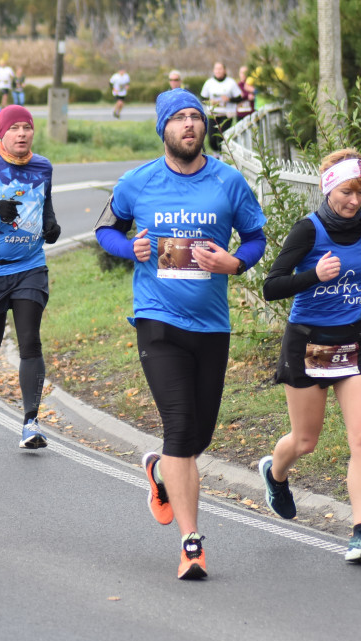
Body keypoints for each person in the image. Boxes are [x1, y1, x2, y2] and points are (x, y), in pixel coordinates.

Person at [94, 89, 267, 580]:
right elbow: (106, 229)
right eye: (179, 118)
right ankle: (192, 545)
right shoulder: (138, 182)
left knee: (198, 437)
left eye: (196, 117)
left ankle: (160, 472)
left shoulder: (229, 183)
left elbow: (255, 238)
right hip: (158, 320)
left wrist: (235, 262)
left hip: (211, 323)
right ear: (163, 129)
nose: (189, 124)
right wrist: (132, 249)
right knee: (179, 426)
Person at [260, 148, 361, 565]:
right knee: (305, 441)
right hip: (310, 344)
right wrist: (313, 276)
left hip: (356, 342)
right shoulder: (308, 230)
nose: (354, 202)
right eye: (346, 192)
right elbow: (272, 286)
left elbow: (360, 267)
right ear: (329, 187)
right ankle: (275, 473)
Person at [0, 105, 61, 448]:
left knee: (30, 340)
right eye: (15, 128)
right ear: (1, 133)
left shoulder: (43, 167)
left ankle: (31, 423)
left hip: (30, 267)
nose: (21, 133)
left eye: (27, 127)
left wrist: (50, 226)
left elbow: (44, 205)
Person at [199, 62, 242, 157]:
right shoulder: (209, 83)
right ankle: (217, 153)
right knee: (212, 138)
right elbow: (202, 98)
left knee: (223, 138)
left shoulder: (231, 82)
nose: (218, 71)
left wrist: (229, 99)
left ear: (225, 70)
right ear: (213, 70)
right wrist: (210, 101)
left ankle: (224, 155)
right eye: (216, 69)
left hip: (227, 115)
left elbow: (239, 98)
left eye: (220, 69)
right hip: (213, 114)